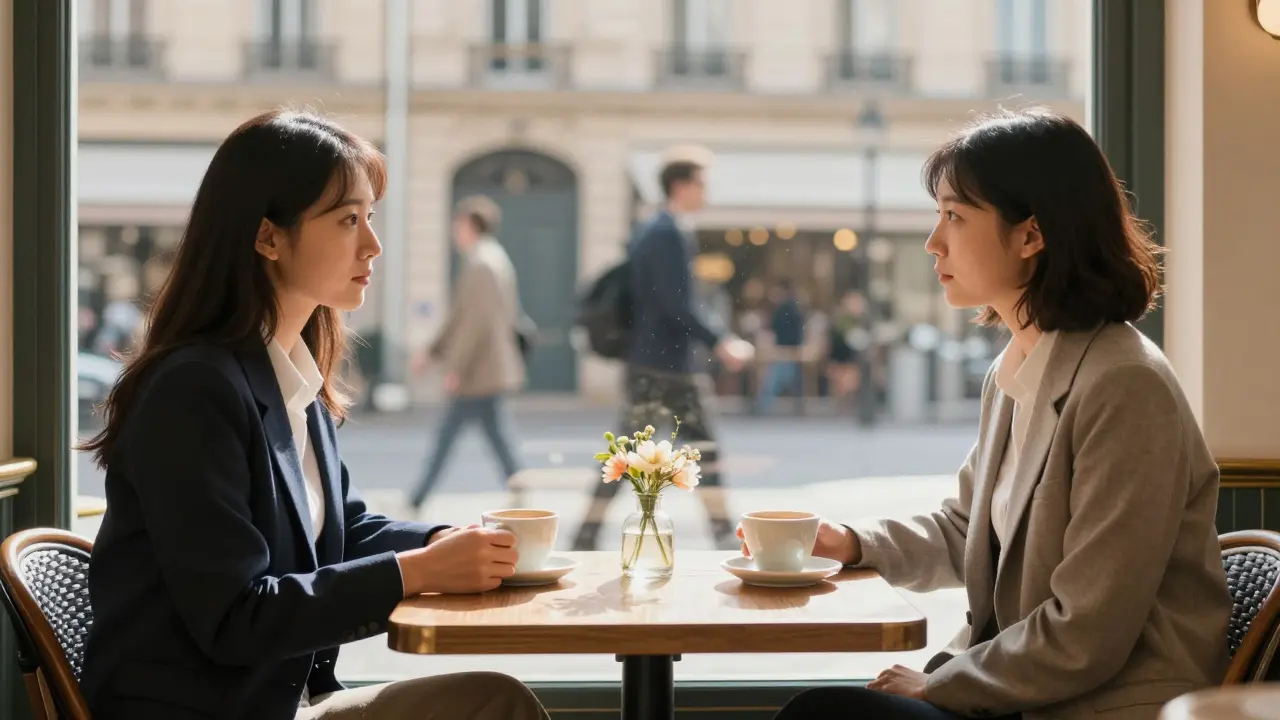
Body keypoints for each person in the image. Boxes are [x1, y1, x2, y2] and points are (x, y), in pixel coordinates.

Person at [78, 109, 549, 720]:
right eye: (348, 219)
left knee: (494, 698)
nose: (373, 245)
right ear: (268, 236)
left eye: (370, 218)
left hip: (282, 701)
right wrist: (415, 572)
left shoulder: (291, 373)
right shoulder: (193, 391)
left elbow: (339, 529)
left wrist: (445, 543)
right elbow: (235, 617)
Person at [769, 109, 1232, 720]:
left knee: (826, 716)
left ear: (1031, 235)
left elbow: (1088, 630)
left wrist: (939, 685)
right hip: (1025, 693)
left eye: (955, 217)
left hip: (1104, 705)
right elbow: (969, 531)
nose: (935, 241)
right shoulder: (1020, 364)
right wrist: (853, 543)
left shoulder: (1125, 384)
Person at [570, 145, 753, 551]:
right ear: (681, 185)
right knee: (702, 451)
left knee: (628, 453)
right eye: (702, 183)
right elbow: (676, 303)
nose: (707, 192)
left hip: (652, 363)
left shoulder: (655, 230)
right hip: (668, 366)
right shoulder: (668, 233)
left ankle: (585, 536)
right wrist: (720, 340)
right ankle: (724, 536)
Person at [408, 195, 526, 512]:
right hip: (486, 369)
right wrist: (432, 352)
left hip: (478, 372)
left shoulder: (482, 264)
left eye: (457, 225)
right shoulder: (489, 260)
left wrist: (455, 369)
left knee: (446, 437)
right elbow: (461, 317)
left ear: (470, 225)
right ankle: (518, 481)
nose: (454, 232)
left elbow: (474, 324)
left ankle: (417, 497)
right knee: (495, 434)